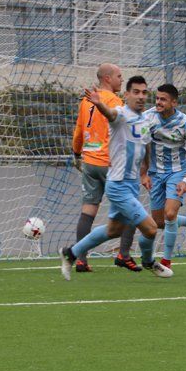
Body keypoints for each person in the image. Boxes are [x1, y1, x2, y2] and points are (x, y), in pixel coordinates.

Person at [60, 80, 173, 280]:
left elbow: (145, 146)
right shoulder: (120, 114)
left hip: (131, 185)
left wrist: (144, 173)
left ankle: (70, 253)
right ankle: (148, 262)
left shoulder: (145, 119)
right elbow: (110, 114)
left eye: (144, 92)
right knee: (151, 228)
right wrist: (99, 103)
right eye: (136, 92)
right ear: (127, 95)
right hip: (118, 185)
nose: (141, 96)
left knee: (113, 230)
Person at [70, 65, 140, 273]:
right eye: (119, 76)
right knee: (132, 208)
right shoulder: (114, 102)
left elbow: (79, 130)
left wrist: (76, 153)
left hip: (90, 162)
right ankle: (123, 255)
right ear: (108, 79)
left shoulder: (86, 100)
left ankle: (81, 259)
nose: (122, 79)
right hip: (109, 163)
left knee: (88, 210)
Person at [140, 84, 186, 269]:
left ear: (174, 102)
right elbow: (143, 147)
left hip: (177, 172)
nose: (158, 102)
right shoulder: (147, 118)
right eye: (157, 98)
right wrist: (143, 174)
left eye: (163, 99)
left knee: (169, 214)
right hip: (155, 173)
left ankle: (166, 260)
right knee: (158, 222)